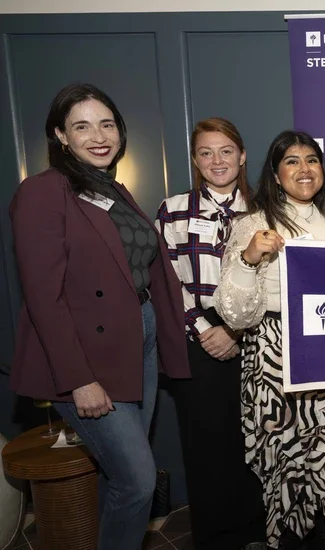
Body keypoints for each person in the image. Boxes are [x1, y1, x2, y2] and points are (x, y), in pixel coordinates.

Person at [8, 83, 189, 550]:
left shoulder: (112, 189)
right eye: (81, 126)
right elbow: (44, 297)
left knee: (119, 478)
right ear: (60, 135)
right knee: (138, 480)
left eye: (106, 124)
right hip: (86, 356)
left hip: (137, 343)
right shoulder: (43, 191)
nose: (98, 135)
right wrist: (78, 379)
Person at [213, 130, 325, 550]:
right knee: (286, 461)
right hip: (278, 358)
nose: (304, 169)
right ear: (275, 175)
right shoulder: (252, 226)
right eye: (292, 161)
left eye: (311, 159)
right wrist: (248, 258)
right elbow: (234, 313)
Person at [155, 117, 267, 549]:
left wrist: (235, 330)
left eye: (225, 151)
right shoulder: (174, 209)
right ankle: (216, 537)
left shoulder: (265, 209)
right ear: (196, 161)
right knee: (206, 444)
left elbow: (272, 280)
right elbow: (166, 280)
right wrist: (206, 328)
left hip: (254, 338)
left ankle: (257, 528)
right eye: (206, 153)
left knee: (254, 437)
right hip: (197, 339)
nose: (216, 161)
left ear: (241, 156)